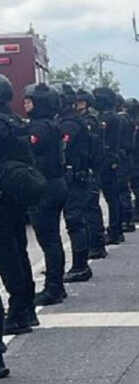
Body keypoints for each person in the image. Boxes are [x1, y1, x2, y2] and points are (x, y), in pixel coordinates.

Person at [0, 73, 41, 344]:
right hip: (14, 194)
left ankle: (17, 311)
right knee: (18, 250)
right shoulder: (14, 121)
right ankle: (26, 307)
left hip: (3, 194)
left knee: (7, 256)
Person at [23, 83, 69, 306]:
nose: (26, 104)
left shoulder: (41, 127)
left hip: (46, 186)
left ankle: (54, 288)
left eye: (30, 100)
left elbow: (27, 146)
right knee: (51, 239)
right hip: (55, 184)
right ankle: (56, 285)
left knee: (48, 240)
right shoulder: (50, 124)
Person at [57, 85, 95, 283]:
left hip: (75, 178)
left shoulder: (70, 123)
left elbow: (62, 148)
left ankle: (80, 266)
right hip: (72, 177)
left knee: (74, 221)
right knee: (74, 220)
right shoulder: (67, 120)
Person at [76, 89, 108, 259]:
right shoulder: (84, 120)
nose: (77, 104)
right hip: (90, 167)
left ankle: (96, 244)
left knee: (91, 208)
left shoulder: (90, 121)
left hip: (91, 168)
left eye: (80, 102)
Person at [93, 87, 124, 245]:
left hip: (107, 158)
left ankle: (114, 230)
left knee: (111, 197)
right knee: (113, 197)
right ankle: (115, 229)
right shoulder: (112, 116)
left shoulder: (107, 118)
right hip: (111, 157)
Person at [116, 93, 136, 233]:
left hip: (122, 158)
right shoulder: (128, 119)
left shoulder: (121, 120)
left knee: (121, 191)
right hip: (127, 157)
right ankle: (127, 219)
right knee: (124, 190)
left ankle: (125, 220)